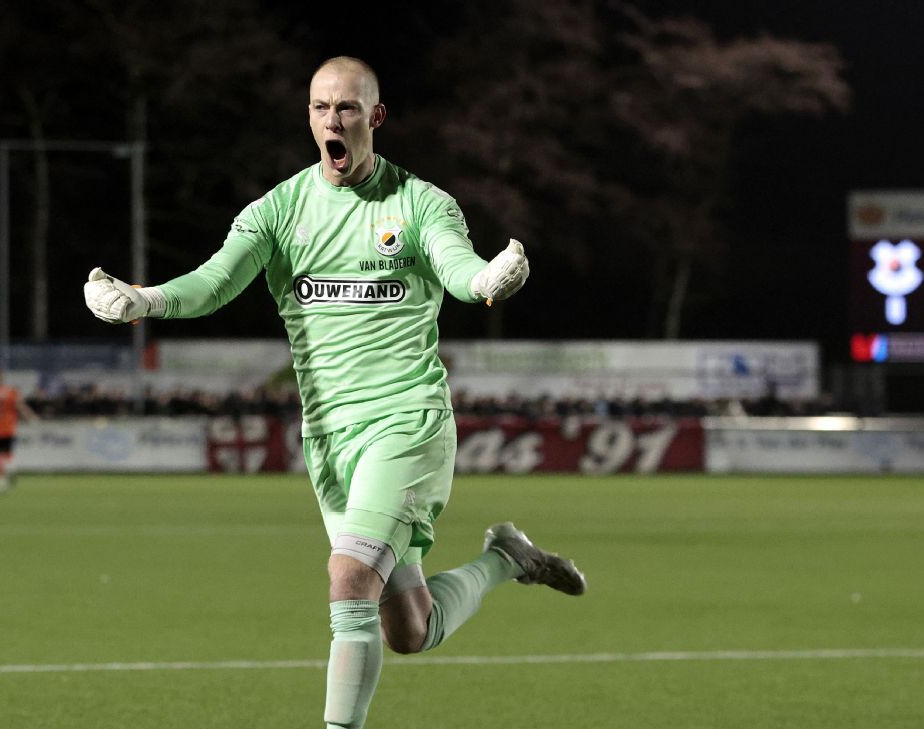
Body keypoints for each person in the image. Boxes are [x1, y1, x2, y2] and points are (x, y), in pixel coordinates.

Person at [84, 56, 585, 729]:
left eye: (347, 108)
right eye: (321, 108)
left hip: (407, 426)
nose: (332, 120)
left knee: (348, 578)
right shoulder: (279, 211)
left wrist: (487, 278)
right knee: (409, 628)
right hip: (330, 442)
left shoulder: (419, 203)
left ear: (374, 117)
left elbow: (457, 266)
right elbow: (213, 282)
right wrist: (142, 299)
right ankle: (507, 558)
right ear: (309, 118)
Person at [0, 370, 39, 492]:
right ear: (2, 379)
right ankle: (11, 468)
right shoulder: (11, 391)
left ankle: (0, 482)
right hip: (9, 428)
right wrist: (31, 417)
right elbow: (21, 406)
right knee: (8, 453)